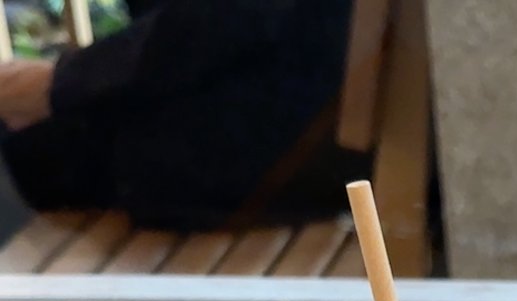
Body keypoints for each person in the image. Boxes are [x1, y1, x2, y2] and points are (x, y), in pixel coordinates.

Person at [0, 0, 357, 232]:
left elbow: (222, 20)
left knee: (23, 146)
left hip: (272, 146)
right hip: (297, 118)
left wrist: (59, 83)